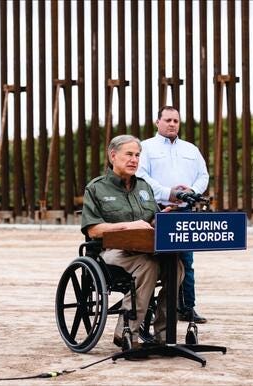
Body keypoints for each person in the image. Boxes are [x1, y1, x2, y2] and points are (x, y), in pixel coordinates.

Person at [81, 135, 184, 348]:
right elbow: (93, 229)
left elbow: (152, 221)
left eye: (137, 155)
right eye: (129, 154)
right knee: (148, 266)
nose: (134, 160)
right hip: (112, 252)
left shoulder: (144, 187)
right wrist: (128, 226)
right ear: (113, 156)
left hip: (145, 248)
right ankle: (126, 332)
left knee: (177, 267)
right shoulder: (96, 188)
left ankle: (165, 334)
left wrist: (163, 217)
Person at [136, 106, 209, 324]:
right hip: (156, 210)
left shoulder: (191, 149)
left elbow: (203, 176)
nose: (172, 124)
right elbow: (142, 177)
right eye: (167, 120)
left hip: (183, 210)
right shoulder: (145, 148)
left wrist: (191, 193)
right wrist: (170, 193)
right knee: (154, 260)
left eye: (175, 121)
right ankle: (154, 308)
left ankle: (187, 308)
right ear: (157, 122)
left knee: (186, 260)